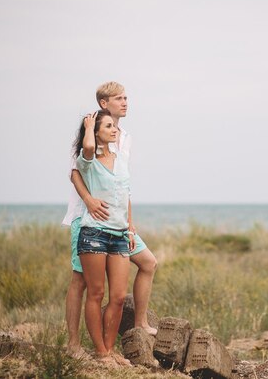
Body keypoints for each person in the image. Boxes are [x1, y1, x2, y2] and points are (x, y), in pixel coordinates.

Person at [62, 82, 157, 359]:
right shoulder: (90, 136)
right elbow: (75, 172)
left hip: (118, 221)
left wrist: (129, 221)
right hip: (87, 218)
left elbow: (122, 185)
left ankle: (138, 324)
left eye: (127, 97)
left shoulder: (124, 138)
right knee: (81, 282)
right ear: (104, 103)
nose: (126, 102)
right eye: (119, 98)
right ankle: (73, 344)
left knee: (148, 262)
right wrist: (90, 201)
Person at [73, 109, 133, 365]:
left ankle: (109, 349)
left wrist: (130, 228)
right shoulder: (89, 160)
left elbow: (126, 197)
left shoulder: (121, 161)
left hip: (119, 235)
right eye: (107, 126)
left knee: (118, 296)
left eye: (114, 126)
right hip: (94, 234)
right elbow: (87, 147)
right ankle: (100, 351)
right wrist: (88, 127)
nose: (113, 129)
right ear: (96, 133)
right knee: (96, 293)